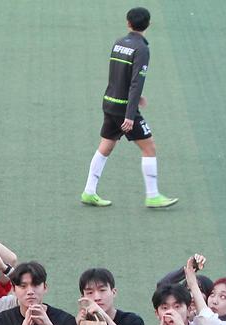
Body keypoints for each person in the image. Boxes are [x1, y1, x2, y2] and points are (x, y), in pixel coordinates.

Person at [80, 7, 178, 209]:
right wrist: (131, 114)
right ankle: (153, 196)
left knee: (106, 146)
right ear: (148, 24)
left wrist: (133, 97)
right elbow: (136, 81)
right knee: (149, 147)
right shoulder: (142, 49)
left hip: (110, 101)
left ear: (128, 22)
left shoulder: (119, 43)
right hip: (124, 109)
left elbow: (117, 74)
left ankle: (89, 192)